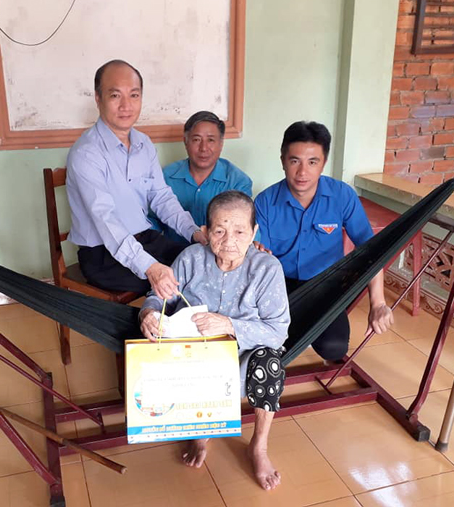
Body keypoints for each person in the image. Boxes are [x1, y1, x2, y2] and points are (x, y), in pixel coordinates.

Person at [139, 191, 290, 491]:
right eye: (220, 231)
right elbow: (158, 296)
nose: (229, 241)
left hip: (244, 356)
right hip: (193, 355)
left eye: (240, 232)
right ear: (206, 232)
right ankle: (201, 431)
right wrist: (148, 313)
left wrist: (229, 325)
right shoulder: (190, 259)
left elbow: (278, 331)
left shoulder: (267, 269)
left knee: (270, 364)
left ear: (254, 233)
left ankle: (258, 446)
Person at [66, 60, 207, 299]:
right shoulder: (86, 153)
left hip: (146, 239)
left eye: (134, 95)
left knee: (200, 263)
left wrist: (194, 233)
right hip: (102, 255)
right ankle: (154, 322)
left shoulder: (144, 143)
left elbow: (161, 197)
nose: (126, 105)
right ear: (98, 98)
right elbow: (106, 221)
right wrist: (150, 267)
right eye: (115, 95)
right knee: (180, 281)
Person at [254, 121, 394, 362]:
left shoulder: (342, 195)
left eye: (312, 162)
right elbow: (258, 258)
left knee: (334, 348)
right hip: (279, 286)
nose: (302, 172)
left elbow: (371, 249)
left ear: (323, 163)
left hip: (325, 285)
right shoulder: (265, 201)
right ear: (283, 161)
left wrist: (378, 302)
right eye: (294, 161)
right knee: (267, 345)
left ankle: (304, 329)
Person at [152, 111, 253, 243]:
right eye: (196, 140)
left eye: (210, 140)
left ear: (221, 143)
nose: (203, 148)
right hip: (173, 253)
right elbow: (152, 222)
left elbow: (244, 226)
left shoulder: (237, 181)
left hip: (219, 253)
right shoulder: (165, 176)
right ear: (186, 142)